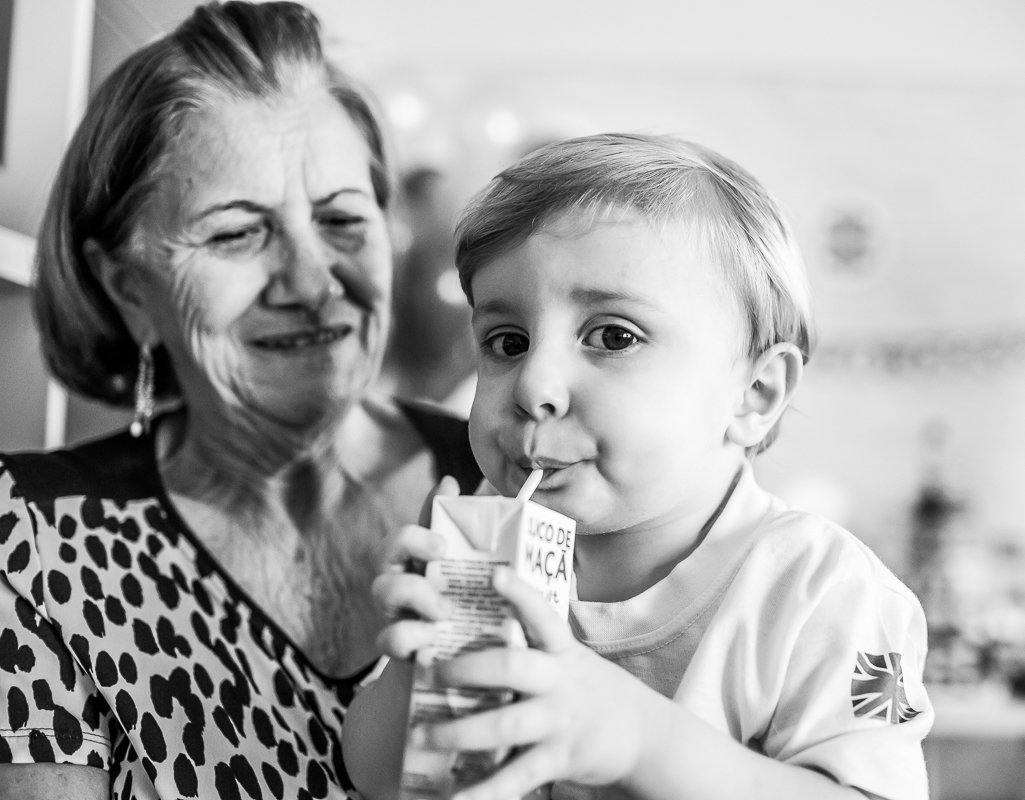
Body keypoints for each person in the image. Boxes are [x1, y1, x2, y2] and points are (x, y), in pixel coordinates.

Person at [343, 134, 933, 800]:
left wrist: (639, 739)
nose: (535, 384)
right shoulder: (492, 555)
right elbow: (379, 777)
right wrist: (415, 673)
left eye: (614, 336)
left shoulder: (823, 593)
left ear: (755, 395)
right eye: (507, 342)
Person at [0, 3, 480, 799]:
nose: (312, 281)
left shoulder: (508, 479)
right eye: (236, 234)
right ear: (130, 292)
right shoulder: (32, 537)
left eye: (341, 220)